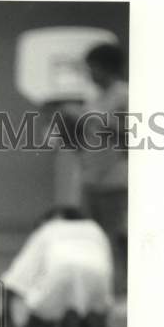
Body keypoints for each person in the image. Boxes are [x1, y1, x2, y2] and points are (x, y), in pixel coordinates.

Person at [0, 206, 114, 327]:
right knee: (94, 315)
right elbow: (106, 266)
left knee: (46, 315)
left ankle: (65, 323)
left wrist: (8, 322)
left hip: (61, 272)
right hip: (97, 273)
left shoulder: (48, 229)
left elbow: (14, 279)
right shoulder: (94, 228)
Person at [65, 43, 128, 298]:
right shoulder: (95, 98)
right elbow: (83, 143)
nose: (89, 75)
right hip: (91, 179)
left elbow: (131, 136)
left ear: (106, 69)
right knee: (91, 241)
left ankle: (118, 295)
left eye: (92, 69)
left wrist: (93, 118)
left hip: (115, 182)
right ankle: (96, 293)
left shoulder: (125, 96)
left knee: (114, 240)